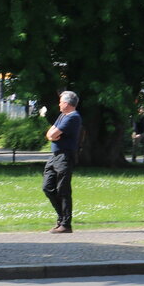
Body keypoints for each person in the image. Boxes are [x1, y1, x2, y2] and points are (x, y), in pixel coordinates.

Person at [43, 90, 82, 234]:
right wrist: (52, 136)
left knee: (63, 190)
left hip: (65, 156)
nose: (59, 105)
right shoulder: (62, 116)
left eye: (60, 102)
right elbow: (49, 134)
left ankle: (66, 224)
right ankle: (61, 217)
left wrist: (53, 136)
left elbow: (52, 134)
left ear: (66, 103)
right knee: (47, 187)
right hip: (55, 156)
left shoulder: (73, 117)